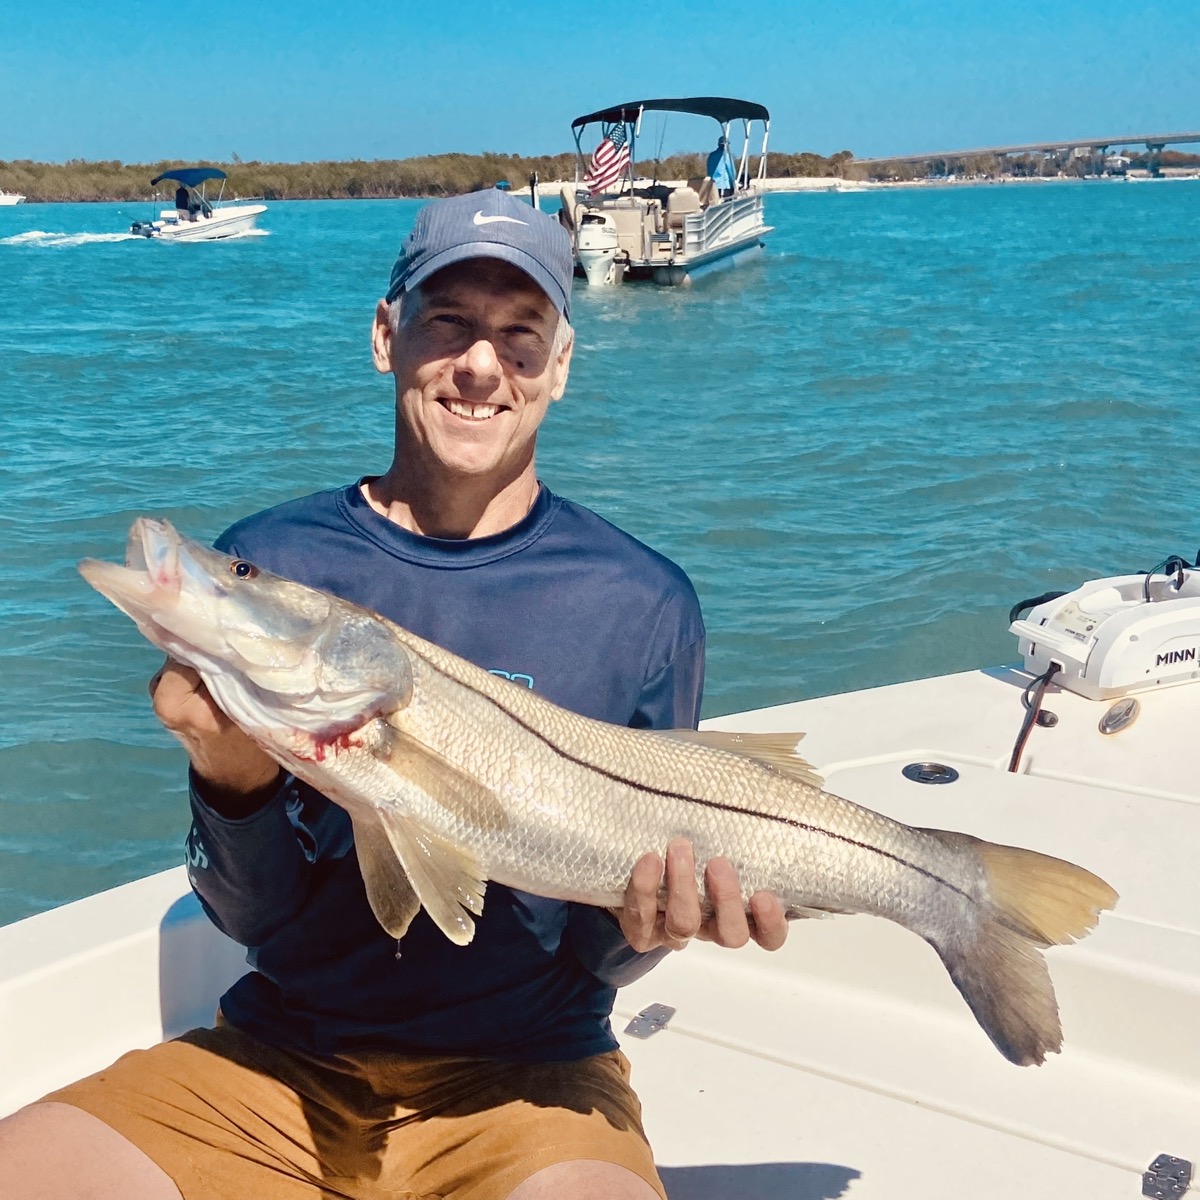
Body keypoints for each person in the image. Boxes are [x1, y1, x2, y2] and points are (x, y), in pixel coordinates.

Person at [0, 187, 789, 1200]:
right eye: (448, 323)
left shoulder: (643, 602)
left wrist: (652, 929)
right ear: (385, 335)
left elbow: (597, 958)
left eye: (519, 336)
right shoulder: (276, 554)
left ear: (560, 366)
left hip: (536, 1081)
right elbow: (252, 919)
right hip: (282, 1059)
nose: (479, 365)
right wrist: (227, 771)